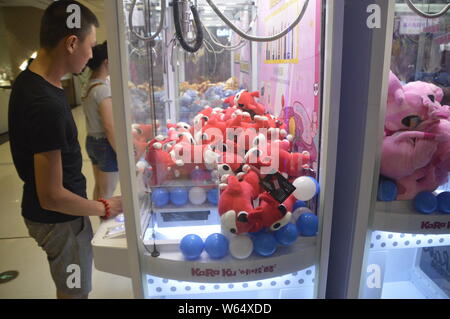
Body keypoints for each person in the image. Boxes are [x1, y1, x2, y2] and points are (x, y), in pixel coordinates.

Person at [8, 0, 122, 299]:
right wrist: (106, 206)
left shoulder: (30, 82)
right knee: (75, 291)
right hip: (59, 221)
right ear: (72, 42)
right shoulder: (46, 105)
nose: (91, 53)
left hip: (56, 214)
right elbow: (52, 196)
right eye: (91, 44)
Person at [83, 41, 118, 200]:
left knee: (99, 188)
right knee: (107, 193)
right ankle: (105, 223)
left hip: (91, 141)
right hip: (104, 144)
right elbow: (109, 126)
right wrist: (120, 151)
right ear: (107, 62)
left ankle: (101, 221)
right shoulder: (103, 89)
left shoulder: (89, 86)